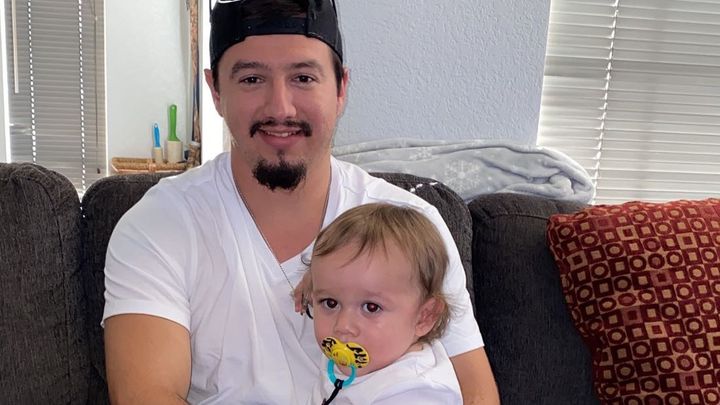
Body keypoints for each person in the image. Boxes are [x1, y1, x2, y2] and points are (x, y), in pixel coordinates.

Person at [102, 0, 499, 404]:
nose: (280, 107)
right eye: (252, 79)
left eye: (304, 78)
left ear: (341, 88)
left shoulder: (413, 229)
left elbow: (476, 395)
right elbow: (145, 395)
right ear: (216, 92)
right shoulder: (160, 223)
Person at [301, 203, 462, 404]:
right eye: (330, 303)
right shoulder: (359, 356)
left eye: (371, 307)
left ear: (424, 317)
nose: (343, 326)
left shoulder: (415, 393)